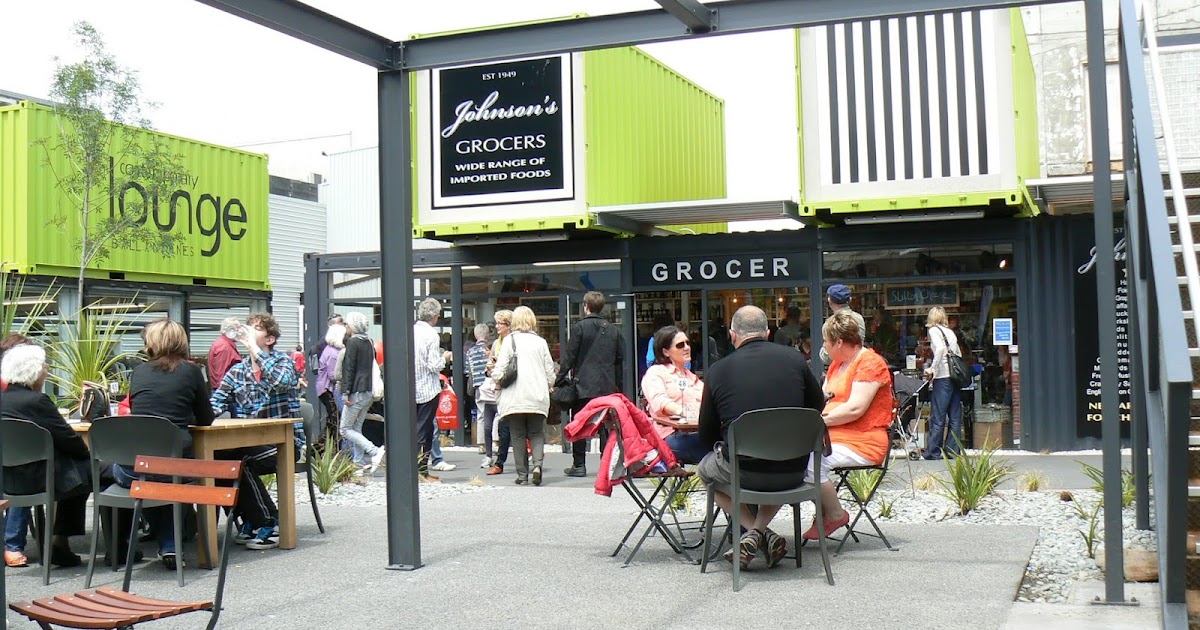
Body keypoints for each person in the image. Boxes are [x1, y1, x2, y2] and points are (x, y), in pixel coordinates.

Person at [695, 305, 825, 570]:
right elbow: (816, 407)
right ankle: (761, 533)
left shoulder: (718, 371)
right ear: (767, 333)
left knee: (706, 471)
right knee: (771, 462)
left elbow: (706, 435)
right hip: (793, 471)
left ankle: (754, 532)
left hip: (745, 472)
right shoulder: (795, 360)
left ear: (732, 335)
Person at [116, 319, 215, 569]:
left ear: (151, 343)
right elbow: (206, 419)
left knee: (116, 472)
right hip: (176, 464)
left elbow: (142, 413)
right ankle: (170, 545)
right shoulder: (192, 371)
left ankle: (120, 546)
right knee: (167, 478)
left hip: (136, 465)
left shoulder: (139, 372)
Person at [209, 312, 299, 551]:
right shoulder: (238, 371)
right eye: (248, 327)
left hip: (286, 444)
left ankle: (268, 520)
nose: (249, 331)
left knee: (240, 461)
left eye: (256, 329)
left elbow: (281, 382)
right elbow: (215, 403)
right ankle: (250, 516)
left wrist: (252, 348)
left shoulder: (283, 362)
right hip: (249, 442)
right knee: (218, 459)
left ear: (269, 339)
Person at [1, 343, 94, 569]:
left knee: (83, 472)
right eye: (44, 366)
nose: (47, 370)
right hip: (42, 479)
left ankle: (58, 541)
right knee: (101, 472)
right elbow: (71, 442)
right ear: (33, 371)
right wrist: (86, 453)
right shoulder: (38, 402)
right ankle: (66, 540)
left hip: (9, 479)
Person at [804, 310, 894, 541]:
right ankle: (825, 512)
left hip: (865, 440)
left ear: (839, 342)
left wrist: (816, 421)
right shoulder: (837, 364)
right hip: (837, 436)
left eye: (826, 341)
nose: (824, 347)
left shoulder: (871, 363)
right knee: (799, 457)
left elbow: (855, 409)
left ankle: (834, 514)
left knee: (812, 461)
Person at [561, 291, 624, 478]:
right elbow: (620, 359)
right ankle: (605, 466)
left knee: (580, 423)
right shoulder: (613, 330)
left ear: (585, 306)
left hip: (583, 385)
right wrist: (617, 385)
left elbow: (570, 357)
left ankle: (579, 464)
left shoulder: (579, 328)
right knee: (605, 425)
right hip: (606, 385)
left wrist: (559, 379)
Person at [492, 306, 556, 486]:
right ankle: (537, 465)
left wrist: (496, 379)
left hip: (515, 396)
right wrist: (549, 384)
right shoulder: (541, 342)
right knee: (536, 433)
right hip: (537, 395)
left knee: (518, 435)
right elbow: (549, 372)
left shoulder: (509, 341)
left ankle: (522, 475)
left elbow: (500, 369)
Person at [641, 326, 707, 464]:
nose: (687, 347)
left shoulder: (693, 379)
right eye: (680, 345)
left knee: (725, 440)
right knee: (718, 447)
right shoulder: (656, 373)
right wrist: (681, 411)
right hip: (668, 437)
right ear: (666, 351)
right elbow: (659, 401)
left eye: (688, 343)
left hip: (696, 433)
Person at [339, 311, 386, 473]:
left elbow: (349, 368)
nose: (345, 326)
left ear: (352, 325)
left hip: (356, 391)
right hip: (368, 390)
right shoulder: (368, 342)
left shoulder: (352, 343)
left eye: (347, 324)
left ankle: (374, 451)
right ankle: (358, 463)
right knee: (357, 427)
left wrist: (345, 392)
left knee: (345, 428)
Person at [414, 297, 454, 481]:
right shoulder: (431, 335)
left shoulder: (410, 330)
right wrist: (445, 358)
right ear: (436, 316)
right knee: (425, 431)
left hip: (410, 388)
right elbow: (433, 365)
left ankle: (414, 469)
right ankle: (421, 470)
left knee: (414, 429)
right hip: (427, 389)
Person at [922, 306, 964, 460]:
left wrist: (932, 369)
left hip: (943, 377)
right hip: (955, 377)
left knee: (938, 416)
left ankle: (933, 451)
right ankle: (953, 450)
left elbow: (939, 349)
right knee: (954, 416)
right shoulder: (950, 332)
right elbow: (958, 353)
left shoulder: (934, 331)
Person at [485, 310, 514, 476]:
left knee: (509, 426)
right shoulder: (497, 343)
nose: (496, 327)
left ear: (508, 326)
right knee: (504, 426)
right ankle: (500, 462)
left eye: (499, 324)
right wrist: (491, 368)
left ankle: (504, 461)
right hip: (500, 388)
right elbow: (490, 366)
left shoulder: (514, 342)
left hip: (514, 387)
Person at [466, 323, 493, 468]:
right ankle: (494, 442)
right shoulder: (489, 350)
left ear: (476, 336)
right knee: (495, 414)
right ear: (487, 336)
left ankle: (481, 444)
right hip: (490, 385)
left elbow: (467, 370)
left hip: (477, 386)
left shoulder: (470, 352)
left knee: (481, 415)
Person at [315, 323, 346, 449]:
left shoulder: (328, 349)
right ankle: (327, 447)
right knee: (335, 419)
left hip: (323, 388)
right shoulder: (334, 353)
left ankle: (321, 446)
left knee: (332, 419)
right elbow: (333, 375)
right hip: (328, 389)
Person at [820, 284, 866, 365]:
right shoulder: (859, 319)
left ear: (829, 300)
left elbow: (826, 358)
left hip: (840, 371)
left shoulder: (829, 324)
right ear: (850, 300)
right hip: (858, 366)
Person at [206, 316, 243, 390]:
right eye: (238, 329)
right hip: (225, 392)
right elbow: (221, 376)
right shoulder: (224, 347)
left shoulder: (225, 344)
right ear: (230, 330)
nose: (240, 332)